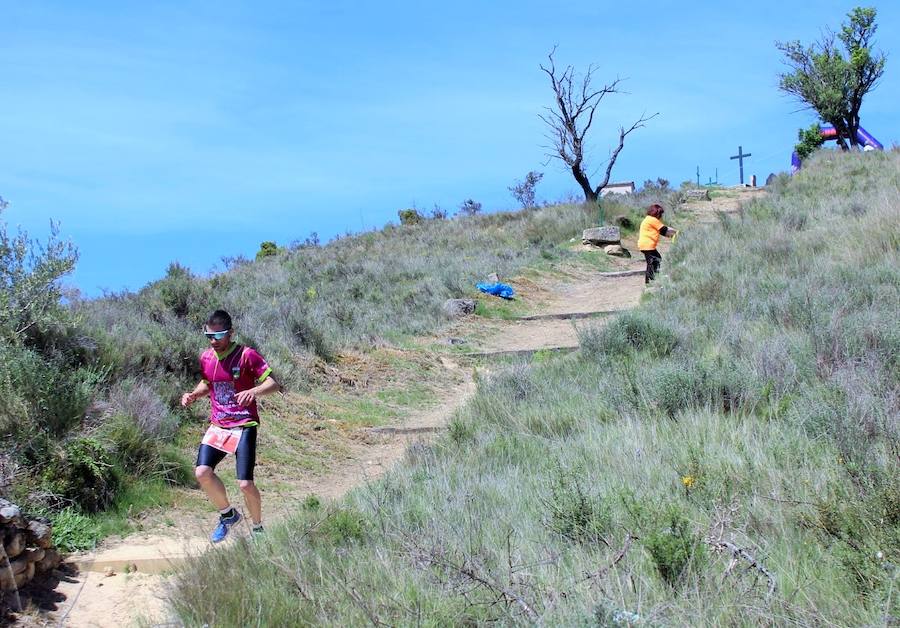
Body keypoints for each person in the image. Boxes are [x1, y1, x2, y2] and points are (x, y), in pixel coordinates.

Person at [181, 309, 279, 542]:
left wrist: (253, 391)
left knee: (245, 484)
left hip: (244, 423)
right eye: (209, 336)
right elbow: (207, 383)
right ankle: (228, 515)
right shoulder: (206, 357)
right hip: (219, 425)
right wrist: (194, 395)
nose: (213, 341)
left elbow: (273, 384)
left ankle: (258, 529)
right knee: (202, 473)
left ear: (231, 333)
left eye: (219, 336)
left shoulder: (247, 355)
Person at [638, 203, 677, 285]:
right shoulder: (652, 220)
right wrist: (676, 232)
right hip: (648, 245)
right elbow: (664, 229)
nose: (661, 216)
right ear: (657, 213)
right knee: (653, 262)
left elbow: (662, 232)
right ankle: (650, 282)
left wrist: (671, 236)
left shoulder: (648, 219)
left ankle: (650, 281)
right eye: (660, 214)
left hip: (645, 245)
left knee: (654, 261)